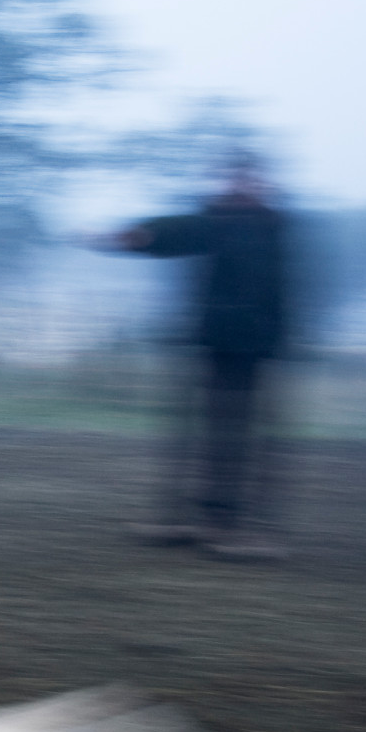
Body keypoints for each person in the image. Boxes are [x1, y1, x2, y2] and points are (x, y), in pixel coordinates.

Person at [95, 150, 293, 560]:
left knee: (237, 437)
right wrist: (138, 236)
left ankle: (231, 523)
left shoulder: (271, 227)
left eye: (247, 180)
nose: (238, 187)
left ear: (261, 185)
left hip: (253, 347)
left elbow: (284, 289)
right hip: (212, 340)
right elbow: (176, 233)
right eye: (233, 179)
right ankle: (187, 516)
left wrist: (279, 338)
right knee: (190, 433)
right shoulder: (216, 221)